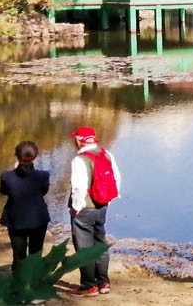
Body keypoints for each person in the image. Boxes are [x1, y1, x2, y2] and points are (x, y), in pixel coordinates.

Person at [68, 126, 121, 296]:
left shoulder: (80, 160)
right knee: (100, 243)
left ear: (79, 141)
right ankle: (103, 282)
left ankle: (89, 285)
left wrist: (76, 208)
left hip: (85, 208)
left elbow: (79, 188)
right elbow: (116, 178)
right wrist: (108, 201)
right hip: (102, 205)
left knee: (84, 247)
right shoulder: (107, 154)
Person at [0, 141, 51, 271]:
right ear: (35, 156)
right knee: (36, 254)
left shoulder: (7, 176)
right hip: (38, 218)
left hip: (15, 218)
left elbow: (3, 191)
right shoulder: (43, 176)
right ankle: (34, 279)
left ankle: (18, 280)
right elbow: (43, 192)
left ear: (17, 156)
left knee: (18, 255)